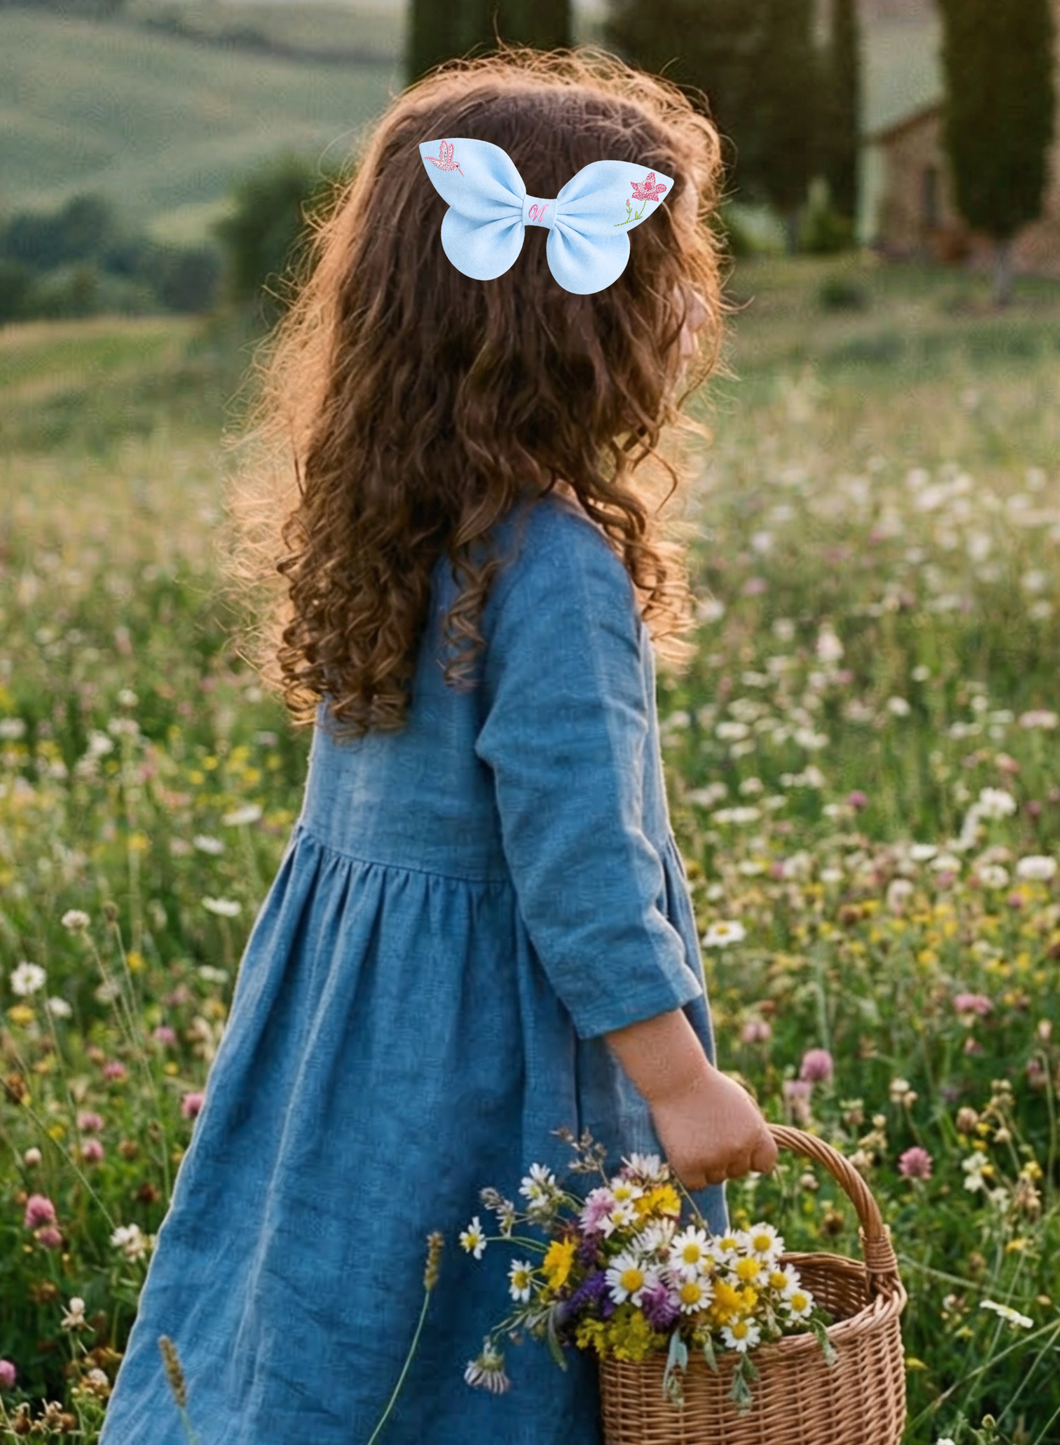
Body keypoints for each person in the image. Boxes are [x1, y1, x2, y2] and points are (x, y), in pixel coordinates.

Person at [98, 44, 777, 1445]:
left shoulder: (402, 526)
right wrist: (681, 1084)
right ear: (576, 321)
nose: (697, 308)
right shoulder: (557, 568)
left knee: (343, 1302)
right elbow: (583, 872)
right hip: (494, 1044)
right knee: (493, 1346)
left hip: (356, 1029)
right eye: (670, 276)